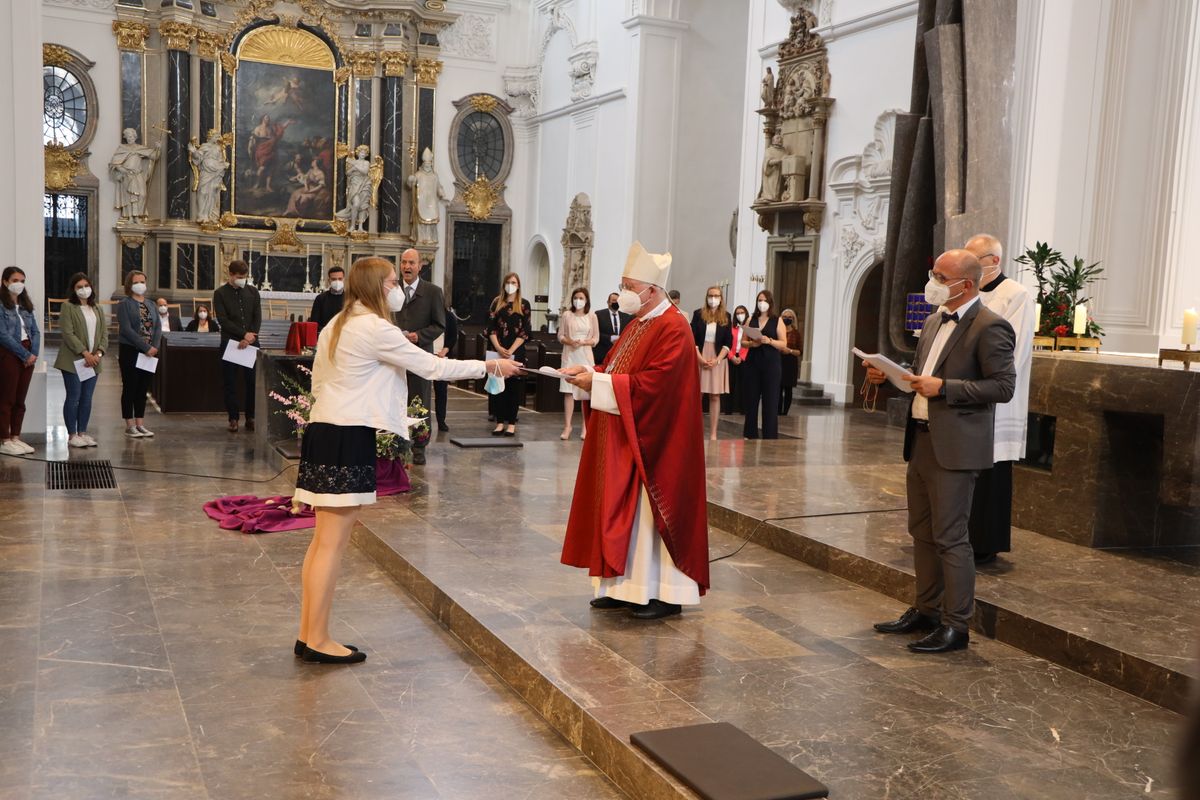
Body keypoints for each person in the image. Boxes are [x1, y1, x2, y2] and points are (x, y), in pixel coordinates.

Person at [292, 257, 520, 663]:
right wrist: (488, 364)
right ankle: (319, 640)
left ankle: (309, 633)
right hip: (347, 434)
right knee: (332, 544)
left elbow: (320, 381)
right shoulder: (375, 328)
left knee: (321, 542)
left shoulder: (337, 324)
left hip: (324, 430)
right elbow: (431, 366)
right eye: (393, 281)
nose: (399, 287)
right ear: (379, 287)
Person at [866, 248, 1015, 654]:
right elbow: (920, 379)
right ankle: (927, 610)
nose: (932, 282)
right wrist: (887, 377)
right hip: (922, 439)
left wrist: (946, 388)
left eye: (939, 276)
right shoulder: (933, 321)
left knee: (951, 537)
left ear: (965, 284)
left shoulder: (990, 327)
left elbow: (1004, 387)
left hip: (957, 447)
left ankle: (956, 625)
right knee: (921, 532)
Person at [560, 242, 710, 620]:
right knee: (622, 513)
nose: (624, 292)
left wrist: (600, 385)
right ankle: (625, 587)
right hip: (625, 435)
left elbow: (657, 387)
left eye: (629, 285)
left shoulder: (674, 327)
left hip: (658, 442)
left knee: (649, 516)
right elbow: (616, 370)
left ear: (652, 291)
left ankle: (665, 593)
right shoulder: (639, 323)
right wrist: (590, 376)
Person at [966, 233, 1034, 564]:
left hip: (994, 398)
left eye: (973, 260)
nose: (968, 267)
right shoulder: (967, 293)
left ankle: (985, 542)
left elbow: (1015, 351)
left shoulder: (1016, 295)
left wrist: (976, 383)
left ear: (993, 261)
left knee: (991, 472)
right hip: (964, 394)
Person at [392, 248, 446, 464]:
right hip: (395, 357)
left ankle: (419, 446)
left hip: (419, 356)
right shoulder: (392, 290)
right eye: (404, 262)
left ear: (420, 265)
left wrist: (419, 336)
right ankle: (395, 442)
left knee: (419, 400)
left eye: (411, 263)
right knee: (395, 398)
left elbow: (439, 324)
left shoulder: (432, 292)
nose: (406, 267)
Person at [54, 273, 107, 448]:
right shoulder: (68, 307)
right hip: (73, 360)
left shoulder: (97, 308)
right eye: (79, 287)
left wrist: (98, 354)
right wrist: (85, 353)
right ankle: (72, 435)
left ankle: (82, 432)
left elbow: (103, 334)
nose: (84, 289)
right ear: (74, 290)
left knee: (87, 398)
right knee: (74, 396)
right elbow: (68, 333)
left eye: (86, 285)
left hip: (93, 361)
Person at [212, 260, 262, 433]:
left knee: (251, 382)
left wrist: (250, 337)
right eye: (239, 277)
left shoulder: (253, 292)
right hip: (230, 343)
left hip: (251, 342)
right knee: (230, 382)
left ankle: (251, 417)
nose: (242, 280)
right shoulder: (220, 293)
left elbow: (257, 316)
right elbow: (223, 320)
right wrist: (242, 335)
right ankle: (233, 418)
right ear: (231, 275)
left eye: (245, 277)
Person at [115, 270, 161, 438]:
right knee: (130, 387)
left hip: (150, 353)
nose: (140, 284)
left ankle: (140, 424)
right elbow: (126, 330)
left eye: (142, 281)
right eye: (136, 282)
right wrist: (144, 346)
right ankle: (129, 425)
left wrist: (154, 346)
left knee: (143, 389)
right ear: (130, 285)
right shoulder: (124, 304)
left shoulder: (151, 304)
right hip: (131, 350)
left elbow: (157, 327)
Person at [0, 267, 41, 455]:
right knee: (7, 398)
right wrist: (24, 355)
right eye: (16, 280)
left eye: (23, 281)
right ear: (5, 282)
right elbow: (3, 335)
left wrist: (33, 353)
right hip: (10, 353)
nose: (20, 284)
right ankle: (5, 439)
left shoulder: (25, 305)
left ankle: (16, 436)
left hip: (28, 353)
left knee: (20, 399)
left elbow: (35, 331)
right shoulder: (1, 304)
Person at [487, 272, 530, 436]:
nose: (511, 285)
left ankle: (511, 423)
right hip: (498, 350)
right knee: (498, 388)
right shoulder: (497, 303)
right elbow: (490, 328)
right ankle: (499, 422)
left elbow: (525, 331)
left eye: (513, 282)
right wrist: (498, 347)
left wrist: (511, 350)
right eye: (508, 282)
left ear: (518, 285)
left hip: (516, 351)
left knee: (513, 389)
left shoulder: (524, 305)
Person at [741, 290, 787, 439]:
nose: (762, 303)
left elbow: (783, 343)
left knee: (770, 401)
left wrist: (770, 341)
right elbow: (743, 342)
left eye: (765, 300)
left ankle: (770, 435)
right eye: (759, 300)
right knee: (751, 399)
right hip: (753, 363)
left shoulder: (777, 320)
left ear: (770, 302)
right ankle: (750, 433)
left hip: (771, 364)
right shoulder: (750, 319)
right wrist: (752, 344)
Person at [691, 286, 732, 441]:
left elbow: (728, 341)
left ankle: (713, 433)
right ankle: (696, 432)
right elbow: (692, 338)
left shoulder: (727, 316)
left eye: (716, 296)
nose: (713, 298)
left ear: (721, 298)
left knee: (715, 396)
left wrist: (717, 359)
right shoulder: (698, 314)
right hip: (700, 355)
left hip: (717, 358)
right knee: (698, 395)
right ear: (706, 297)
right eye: (710, 295)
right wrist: (700, 358)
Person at [558, 287, 598, 440]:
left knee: (585, 392)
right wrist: (569, 341)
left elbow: (596, 338)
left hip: (585, 356)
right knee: (568, 391)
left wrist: (584, 342)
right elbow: (560, 335)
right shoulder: (567, 315)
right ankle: (567, 426)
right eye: (576, 298)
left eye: (581, 298)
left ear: (586, 300)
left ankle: (585, 426)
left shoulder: (592, 316)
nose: (578, 301)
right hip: (570, 355)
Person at [433, 304, 461, 432]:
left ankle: (441, 421)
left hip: (442, 356)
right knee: (421, 390)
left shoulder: (448, 316)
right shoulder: (425, 314)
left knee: (441, 391)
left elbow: (452, 336)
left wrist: (445, 350)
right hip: (425, 355)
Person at [722, 304, 750, 415]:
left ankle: (743, 408)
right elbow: (726, 342)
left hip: (744, 358)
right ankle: (728, 409)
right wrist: (732, 356)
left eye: (742, 313)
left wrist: (741, 357)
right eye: (738, 313)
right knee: (730, 383)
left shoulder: (749, 328)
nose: (740, 315)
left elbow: (750, 344)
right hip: (731, 356)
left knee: (744, 384)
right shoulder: (731, 327)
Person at [593, 292, 632, 365]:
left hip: (619, 355)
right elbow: (596, 334)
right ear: (608, 302)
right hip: (602, 354)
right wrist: (610, 338)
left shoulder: (626, 316)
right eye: (614, 300)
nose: (616, 303)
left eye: (618, 301)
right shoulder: (599, 314)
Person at [778, 308, 802, 415]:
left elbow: (800, 351)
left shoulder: (796, 333)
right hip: (778, 361)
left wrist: (790, 350)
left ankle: (785, 412)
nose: (787, 319)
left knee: (788, 389)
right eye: (785, 317)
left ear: (793, 319)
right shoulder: (777, 331)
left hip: (790, 362)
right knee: (778, 388)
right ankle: (777, 411)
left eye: (790, 317)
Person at [309, 267, 345, 333]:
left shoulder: (350, 298)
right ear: (329, 281)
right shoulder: (320, 298)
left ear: (344, 280)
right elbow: (314, 322)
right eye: (334, 279)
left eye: (340, 279)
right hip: (325, 334)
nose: (337, 282)